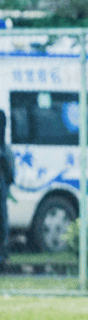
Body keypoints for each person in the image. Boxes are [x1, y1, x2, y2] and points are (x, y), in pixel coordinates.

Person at [0, 110, 13, 264]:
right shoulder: (5, 150)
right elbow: (10, 175)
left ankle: (3, 254)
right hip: (2, 190)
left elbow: (10, 175)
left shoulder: (5, 150)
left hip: (2, 190)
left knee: (3, 223)